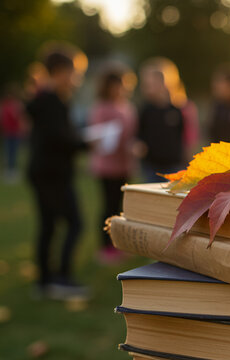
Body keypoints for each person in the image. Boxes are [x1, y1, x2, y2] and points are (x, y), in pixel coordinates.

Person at [25, 47, 89, 299]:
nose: (77, 79)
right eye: (75, 73)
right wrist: (85, 144)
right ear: (61, 72)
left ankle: (45, 282)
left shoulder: (51, 99)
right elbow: (58, 139)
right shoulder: (51, 101)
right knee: (74, 223)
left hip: (46, 172)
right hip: (51, 174)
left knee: (49, 226)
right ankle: (60, 278)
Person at [88, 66, 137, 263]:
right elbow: (96, 137)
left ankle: (117, 244)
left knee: (119, 208)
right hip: (106, 167)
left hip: (124, 166)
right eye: (117, 86)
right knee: (107, 207)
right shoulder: (101, 108)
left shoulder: (127, 107)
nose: (121, 89)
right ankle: (105, 247)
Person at [136, 59, 186, 182]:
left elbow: (182, 136)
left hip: (173, 164)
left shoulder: (175, 110)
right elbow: (140, 134)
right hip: (152, 165)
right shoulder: (146, 110)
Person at [1, 83, 26, 183]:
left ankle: (11, 170)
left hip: (13, 132)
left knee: (12, 151)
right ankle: (10, 170)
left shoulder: (12, 105)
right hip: (10, 132)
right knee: (10, 151)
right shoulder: (10, 106)